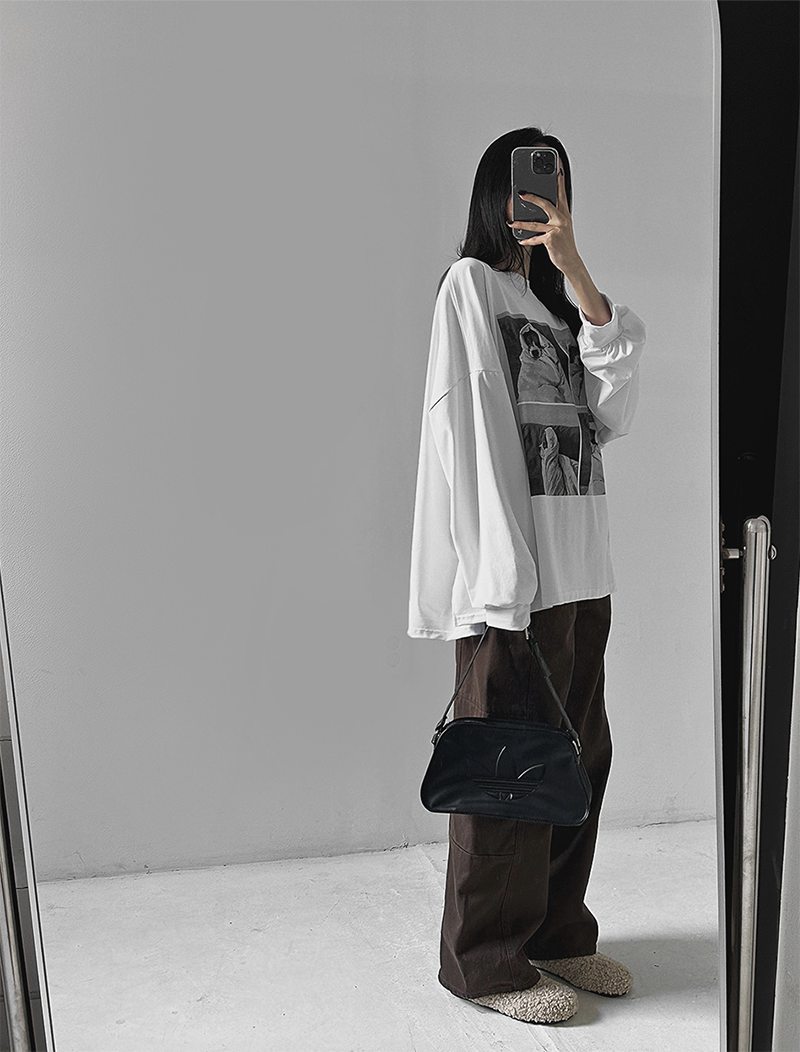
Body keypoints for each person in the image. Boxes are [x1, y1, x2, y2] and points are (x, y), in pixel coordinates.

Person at [407, 127, 647, 1025]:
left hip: (581, 569)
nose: (543, 197)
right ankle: (487, 964)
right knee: (505, 772)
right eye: (529, 181)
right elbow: (465, 428)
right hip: (516, 579)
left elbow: (615, 411)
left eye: (558, 184)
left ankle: (555, 933)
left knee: (577, 762)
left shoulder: (558, 309)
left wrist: (576, 271)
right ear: (493, 192)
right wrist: (501, 578)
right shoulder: (470, 287)